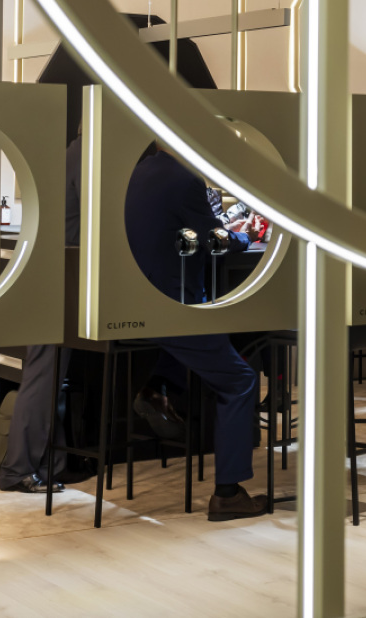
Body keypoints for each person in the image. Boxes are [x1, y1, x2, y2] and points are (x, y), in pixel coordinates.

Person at [124, 144, 267, 522]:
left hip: (137, 300)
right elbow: (215, 240)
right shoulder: (184, 179)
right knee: (240, 380)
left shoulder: (140, 171)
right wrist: (244, 237)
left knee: (205, 331)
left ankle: (157, 388)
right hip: (172, 307)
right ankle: (228, 494)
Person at [0, 135, 82, 494]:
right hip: (57, 277)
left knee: (49, 374)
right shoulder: (85, 157)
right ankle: (18, 469)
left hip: (47, 272)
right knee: (44, 375)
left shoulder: (69, 155)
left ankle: (48, 464)